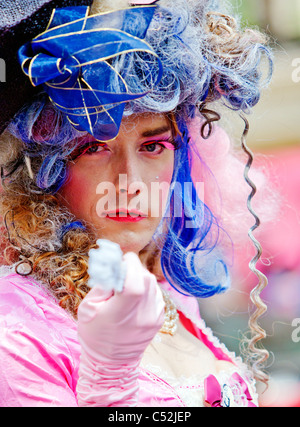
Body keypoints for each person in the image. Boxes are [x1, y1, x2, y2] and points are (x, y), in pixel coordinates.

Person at [0, 0, 274, 407]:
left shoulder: (165, 292)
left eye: (153, 145)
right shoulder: (15, 329)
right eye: (92, 147)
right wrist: (109, 381)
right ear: (42, 168)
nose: (130, 182)